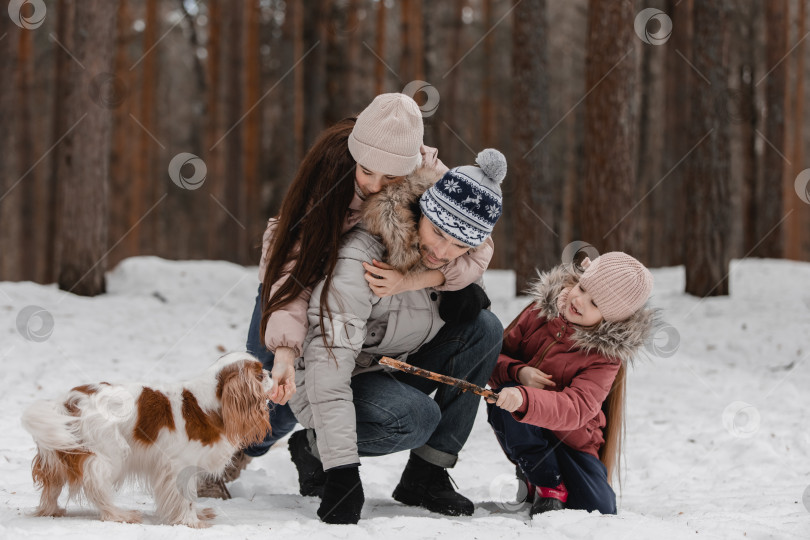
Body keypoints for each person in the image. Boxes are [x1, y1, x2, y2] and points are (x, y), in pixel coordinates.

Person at [197, 94, 495, 499]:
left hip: (358, 303)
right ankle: (221, 454)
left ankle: (422, 471)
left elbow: (478, 244)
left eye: (390, 179)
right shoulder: (329, 178)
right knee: (273, 388)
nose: (373, 186)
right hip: (295, 282)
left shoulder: (428, 172)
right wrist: (286, 350)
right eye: (367, 171)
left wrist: (428, 277)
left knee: (482, 328)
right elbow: (291, 272)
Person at [288, 150, 508, 524]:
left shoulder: (448, 262)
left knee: (484, 328)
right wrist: (341, 470)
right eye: (438, 233)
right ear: (423, 210)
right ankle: (313, 446)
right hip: (335, 379)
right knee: (418, 417)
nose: (442, 252)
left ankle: (426, 474)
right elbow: (329, 362)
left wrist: (442, 283)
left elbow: (463, 261)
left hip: (394, 362)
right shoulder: (362, 260)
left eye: (459, 245)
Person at [486, 252, 656, 516]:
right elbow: (492, 357)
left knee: (597, 508)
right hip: (526, 426)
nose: (579, 300)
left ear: (611, 319)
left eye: (595, 303)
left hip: (572, 439)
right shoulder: (539, 312)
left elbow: (578, 408)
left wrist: (526, 399)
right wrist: (519, 373)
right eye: (583, 287)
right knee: (505, 397)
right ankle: (543, 478)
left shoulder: (604, 357)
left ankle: (546, 473)